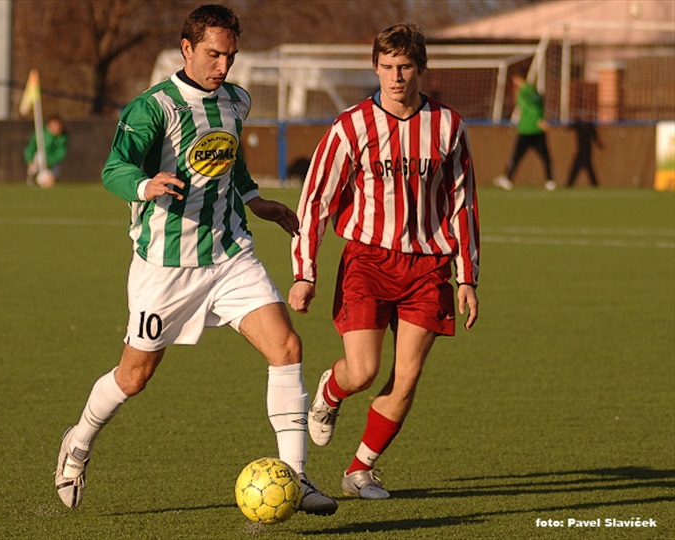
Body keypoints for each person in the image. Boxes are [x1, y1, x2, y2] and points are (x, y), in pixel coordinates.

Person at [54, 4, 337, 516]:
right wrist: (145, 183)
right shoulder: (153, 108)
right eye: (213, 54)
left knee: (287, 346)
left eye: (230, 55)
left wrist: (255, 202)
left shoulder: (236, 100)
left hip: (229, 253)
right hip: (166, 266)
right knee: (134, 376)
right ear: (187, 49)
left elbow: (230, 160)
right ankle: (78, 441)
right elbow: (112, 168)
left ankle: (295, 477)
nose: (222, 66)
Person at [289, 23, 480, 499]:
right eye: (388, 67)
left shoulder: (448, 126)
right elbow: (316, 199)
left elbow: (463, 203)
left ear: (421, 68)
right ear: (375, 66)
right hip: (368, 261)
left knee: (408, 374)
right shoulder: (350, 125)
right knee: (364, 371)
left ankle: (360, 470)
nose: (396, 77)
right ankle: (331, 393)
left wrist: (467, 279)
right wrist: (304, 272)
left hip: (429, 266)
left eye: (406, 67)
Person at [494, 69, 556, 191]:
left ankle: (507, 179)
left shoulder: (522, 92)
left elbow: (528, 108)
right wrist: (540, 119)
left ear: (517, 78)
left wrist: (536, 120)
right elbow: (539, 105)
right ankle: (550, 181)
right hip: (538, 130)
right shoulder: (535, 90)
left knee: (516, 156)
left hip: (527, 128)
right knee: (545, 157)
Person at [24, 114, 68, 186]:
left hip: (52, 163)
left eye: (59, 124)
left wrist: (48, 161)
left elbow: (61, 153)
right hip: (37, 160)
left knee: (50, 181)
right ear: (49, 125)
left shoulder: (63, 137)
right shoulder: (40, 134)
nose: (58, 127)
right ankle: (33, 177)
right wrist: (30, 161)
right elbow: (30, 148)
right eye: (55, 124)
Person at [566, 113, 602, 187]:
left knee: (579, 168)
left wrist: (599, 144)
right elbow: (570, 127)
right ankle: (595, 184)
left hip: (586, 151)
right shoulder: (579, 126)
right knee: (587, 168)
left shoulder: (589, 126)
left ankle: (569, 184)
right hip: (581, 150)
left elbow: (595, 138)